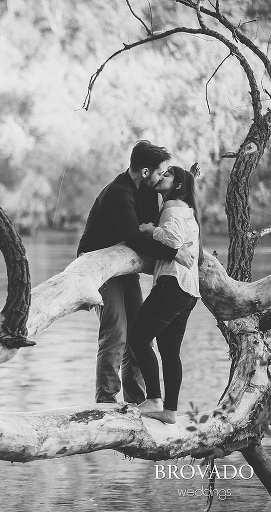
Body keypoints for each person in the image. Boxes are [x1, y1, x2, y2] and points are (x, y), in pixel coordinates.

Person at [77, 140, 194, 405]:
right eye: (160, 172)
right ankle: (106, 402)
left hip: (125, 268)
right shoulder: (119, 192)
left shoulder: (147, 192)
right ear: (144, 172)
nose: (163, 176)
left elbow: (153, 230)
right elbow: (133, 236)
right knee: (116, 333)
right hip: (99, 267)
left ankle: (136, 402)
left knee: (139, 335)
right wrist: (175, 254)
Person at [130, 165, 202, 424]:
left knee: (137, 338)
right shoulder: (188, 211)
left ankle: (153, 400)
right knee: (170, 352)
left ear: (178, 185)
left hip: (172, 285)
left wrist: (150, 229)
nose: (161, 177)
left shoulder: (172, 205)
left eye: (167, 174)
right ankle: (170, 411)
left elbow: (171, 241)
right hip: (188, 290)